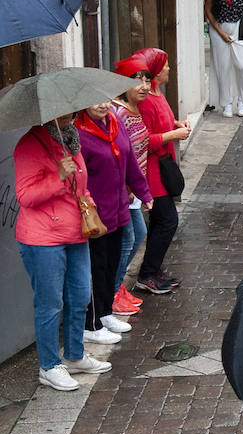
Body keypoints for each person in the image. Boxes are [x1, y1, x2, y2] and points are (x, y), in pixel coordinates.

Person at [13, 113, 113, 392]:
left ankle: (74, 355)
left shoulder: (71, 139)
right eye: (64, 111)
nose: (70, 114)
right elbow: (25, 197)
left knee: (80, 295)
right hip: (42, 238)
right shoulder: (28, 145)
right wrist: (58, 176)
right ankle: (48, 366)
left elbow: (81, 185)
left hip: (76, 231)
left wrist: (88, 204)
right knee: (50, 303)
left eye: (73, 109)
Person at [75, 98, 153, 346]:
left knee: (112, 264)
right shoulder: (79, 133)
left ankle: (106, 312)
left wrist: (144, 193)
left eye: (104, 100)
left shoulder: (115, 122)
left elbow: (130, 161)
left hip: (118, 209)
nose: (101, 105)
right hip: (96, 216)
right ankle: (92, 323)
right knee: (96, 268)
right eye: (94, 101)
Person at [128, 50, 187, 293]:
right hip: (153, 171)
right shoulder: (147, 100)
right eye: (165, 65)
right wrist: (173, 135)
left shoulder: (157, 93)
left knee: (160, 222)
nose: (169, 69)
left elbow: (161, 121)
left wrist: (175, 124)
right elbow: (143, 139)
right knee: (168, 221)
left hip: (163, 166)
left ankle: (153, 268)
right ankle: (147, 273)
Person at [110, 75, 152, 317]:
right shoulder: (119, 114)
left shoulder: (135, 110)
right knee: (128, 239)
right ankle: (114, 290)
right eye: (138, 81)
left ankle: (118, 286)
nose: (144, 86)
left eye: (147, 80)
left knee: (137, 236)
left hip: (134, 188)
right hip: (124, 190)